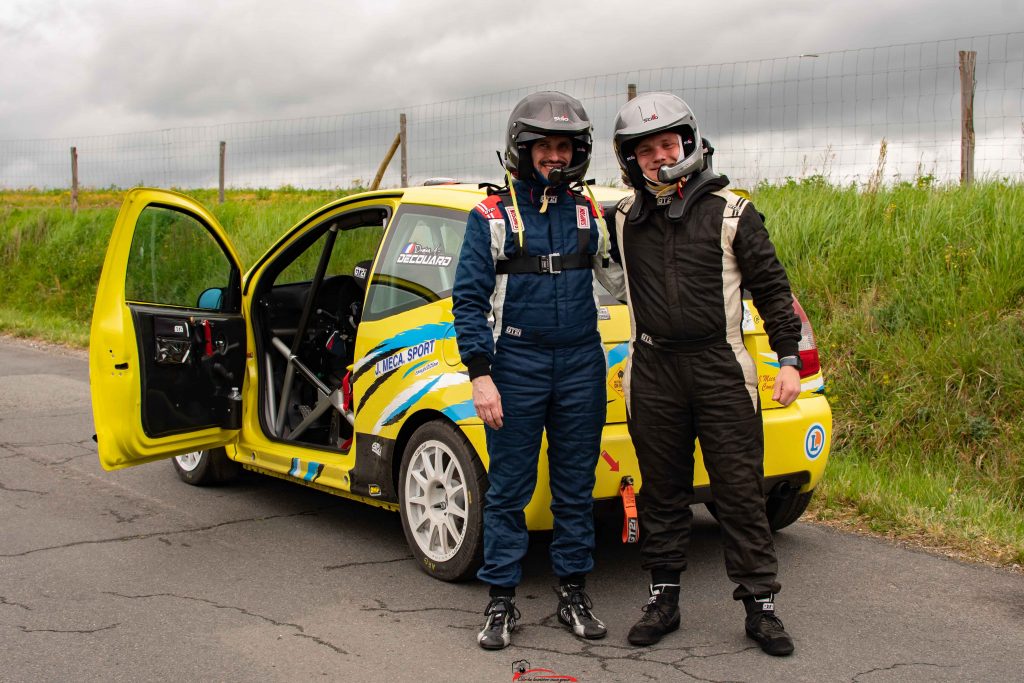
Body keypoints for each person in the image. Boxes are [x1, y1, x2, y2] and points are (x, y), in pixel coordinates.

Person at [596, 92, 803, 656]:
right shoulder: (620, 218)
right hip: (653, 368)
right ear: (630, 160)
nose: (659, 157)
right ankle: (663, 599)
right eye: (646, 151)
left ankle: (761, 606)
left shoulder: (733, 211)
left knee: (739, 491)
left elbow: (773, 289)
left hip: (720, 366)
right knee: (663, 492)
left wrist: (787, 359)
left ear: (688, 143)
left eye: (668, 144)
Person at [452, 91, 612, 650]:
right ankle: (501, 602)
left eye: (563, 146)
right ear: (522, 150)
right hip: (515, 365)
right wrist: (480, 373)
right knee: (509, 492)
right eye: (543, 147)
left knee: (575, 488)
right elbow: (469, 300)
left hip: (580, 363)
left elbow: (623, 281)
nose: (554, 157)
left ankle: (573, 592)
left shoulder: (592, 212)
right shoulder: (491, 215)